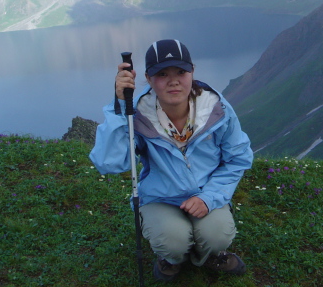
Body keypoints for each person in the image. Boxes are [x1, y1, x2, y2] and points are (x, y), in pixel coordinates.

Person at [89, 39, 253, 282]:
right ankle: (172, 258)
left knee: (217, 236)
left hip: (207, 191)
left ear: (192, 71)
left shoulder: (217, 110)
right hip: (160, 197)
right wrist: (120, 106)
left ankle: (209, 254)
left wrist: (208, 198)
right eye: (162, 74)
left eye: (181, 72)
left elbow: (237, 158)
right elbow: (109, 163)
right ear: (148, 78)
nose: (173, 81)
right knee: (172, 242)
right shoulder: (137, 115)